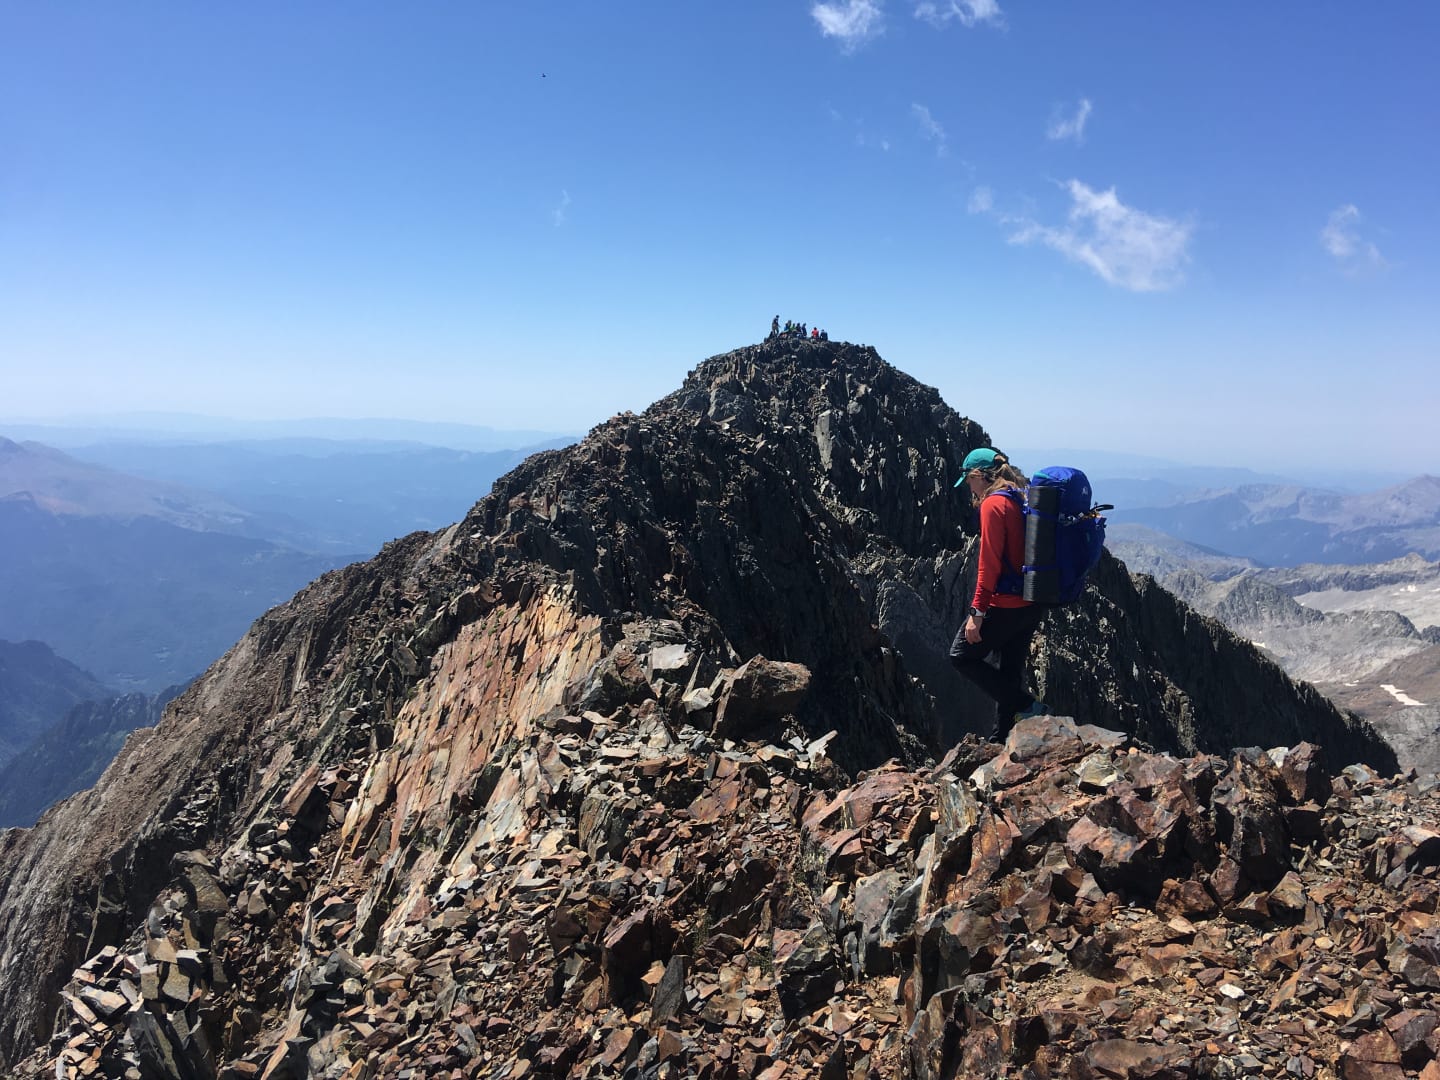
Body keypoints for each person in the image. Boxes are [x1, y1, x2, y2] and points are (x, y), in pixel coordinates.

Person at [949, 447, 1048, 740]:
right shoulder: (1021, 496)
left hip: (1005, 604)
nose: (968, 486)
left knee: (960, 656)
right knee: (1009, 672)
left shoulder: (993, 506)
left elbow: (988, 565)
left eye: (968, 479)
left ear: (979, 474)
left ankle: (1027, 705)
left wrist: (976, 614)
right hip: (1032, 601)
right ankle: (1000, 739)